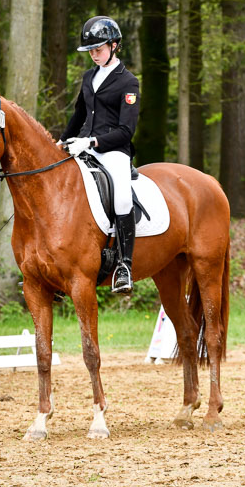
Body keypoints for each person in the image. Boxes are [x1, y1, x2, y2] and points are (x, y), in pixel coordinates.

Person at [59, 16, 140, 294]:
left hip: (113, 151)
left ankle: (125, 266)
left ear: (114, 46)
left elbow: (125, 130)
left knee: (121, 194)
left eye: (99, 48)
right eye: (90, 50)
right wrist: (60, 141)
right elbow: (79, 114)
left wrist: (91, 141)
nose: (94, 54)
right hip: (84, 147)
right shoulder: (88, 78)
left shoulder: (128, 82)